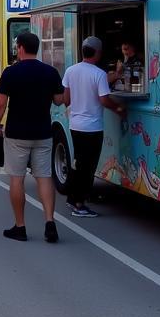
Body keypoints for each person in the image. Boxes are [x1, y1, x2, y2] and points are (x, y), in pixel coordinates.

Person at [0, 30, 65, 243]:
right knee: (44, 176)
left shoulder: (11, 72)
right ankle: (50, 222)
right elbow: (59, 99)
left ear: (21, 48)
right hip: (43, 132)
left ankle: (20, 226)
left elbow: (0, 103)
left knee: (17, 178)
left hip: (17, 133)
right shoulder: (50, 72)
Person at [62, 35, 126, 218]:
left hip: (75, 125)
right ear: (98, 53)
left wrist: (75, 109)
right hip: (92, 127)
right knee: (88, 167)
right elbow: (104, 100)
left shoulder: (71, 71)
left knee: (78, 163)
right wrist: (119, 109)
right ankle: (80, 205)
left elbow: (66, 98)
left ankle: (72, 198)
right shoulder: (98, 74)